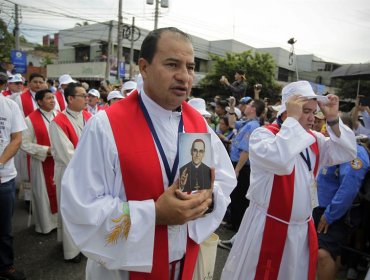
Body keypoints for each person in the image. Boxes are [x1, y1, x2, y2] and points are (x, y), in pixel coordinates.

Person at [60, 27, 236, 280]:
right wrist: (154, 214)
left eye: (190, 67)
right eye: (172, 65)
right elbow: (81, 206)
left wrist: (207, 201)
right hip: (126, 267)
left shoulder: (197, 123)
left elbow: (223, 183)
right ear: (144, 67)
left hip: (184, 259)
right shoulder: (106, 125)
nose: (184, 76)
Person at [222, 80, 357, 280]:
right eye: (306, 111)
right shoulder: (263, 136)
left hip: (300, 231)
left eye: (314, 111)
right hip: (268, 226)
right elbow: (280, 160)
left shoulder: (315, 140)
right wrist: (293, 121)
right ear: (288, 112)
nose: (313, 118)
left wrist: (333, 118)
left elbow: (347, 151)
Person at [314, 114, 370, 280]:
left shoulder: (354, 151)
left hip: (337, 213)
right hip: (321, 208)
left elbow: (348, 189)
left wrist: (330, 215)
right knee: (332, 253)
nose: (325, 129)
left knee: (322, 254)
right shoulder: (332, 147)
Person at [49, 82, 91, 263]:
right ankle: (71, 251)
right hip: (69, 173)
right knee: (70, 211)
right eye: (83, 95)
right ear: (71, 98)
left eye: (87, 95)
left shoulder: (89, 117)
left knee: (84, 212)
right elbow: (67, 153)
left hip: (88, 173)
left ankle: (85, 245)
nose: (87, 98)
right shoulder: (58, 122)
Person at [0, 75, 27, 280]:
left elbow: (16, 139)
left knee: (4, 228)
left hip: (4, 178)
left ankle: (5, 266)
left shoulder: (10, 106)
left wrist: (0, 163)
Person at [21, 89, 59, 234]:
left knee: (58, 192)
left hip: (58, 162)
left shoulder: (59, 115)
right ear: (40, 101)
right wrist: (45, 150)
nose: (52, 100)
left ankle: (59, 223)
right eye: (48, 98)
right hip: (41, 163)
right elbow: (23, 143)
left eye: (53, 97)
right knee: (43, 195)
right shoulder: (29, 120)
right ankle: (46, 225)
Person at [227, 98, 265, 230]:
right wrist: (232, 108)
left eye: (249, 105)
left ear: (253, 109)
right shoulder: (246, 122)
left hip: (242, 166)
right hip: (238, 164)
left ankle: (237, 227)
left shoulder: (253, 126)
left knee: (239, 197)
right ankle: (233, 222)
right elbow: (232, 124)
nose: (246, 107)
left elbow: (246, 150)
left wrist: (237, 170)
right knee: (234, 194)